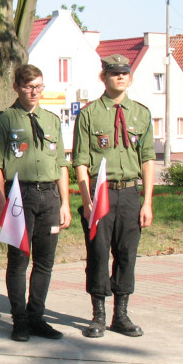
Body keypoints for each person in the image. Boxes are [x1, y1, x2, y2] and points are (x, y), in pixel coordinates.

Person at [72, 54, 155, 339]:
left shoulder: (141, 113)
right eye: (113, 73)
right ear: (103, 78)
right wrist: (86, 199)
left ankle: (121, 315)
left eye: (124, 73)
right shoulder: (89, 114)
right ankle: (98, 315)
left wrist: (147, 202)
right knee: (97, 254)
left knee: (126, 254)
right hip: (100, 195)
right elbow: (80, 161)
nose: (120, 77)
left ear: (130, 78)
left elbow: (147, 159)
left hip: (130, 193)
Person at [0, 65, 71, 342]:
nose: (34, 92)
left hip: (49, 196)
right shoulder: (4, 120)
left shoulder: (51, 120)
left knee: (45, 261)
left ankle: (37, 317)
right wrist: (1, 204)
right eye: (28, 87)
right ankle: (19, 319)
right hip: (18, 197)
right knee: (18, 260)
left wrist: (65, 203)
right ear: (17, 87)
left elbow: (60, 163)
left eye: (39, 86)